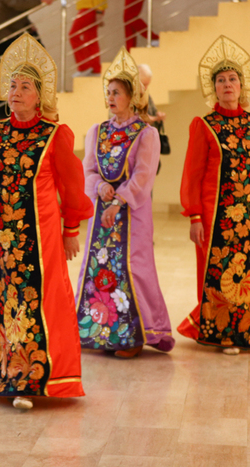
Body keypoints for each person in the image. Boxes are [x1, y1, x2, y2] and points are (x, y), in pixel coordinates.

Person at [0, 34, 93, 410]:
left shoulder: (54, 135)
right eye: (12, 86)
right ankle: (5, 372)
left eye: (25, 87)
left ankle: (39, 377)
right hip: (5, 237)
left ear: (40, 95)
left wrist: (70, 231)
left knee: (41, 298)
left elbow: (72, 185)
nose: (16, 93)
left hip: (44, 234)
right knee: (6, 299)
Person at [177, 35, 250, 355]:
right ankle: (223, 332)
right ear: (214, 89)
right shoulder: (204, 125)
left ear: (241, 85)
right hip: (214, 213)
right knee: (219, 270)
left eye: (232, 79)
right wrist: (195, 215)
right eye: (220, 80)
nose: (227, 84)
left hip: (248, 215)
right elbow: (192, 174)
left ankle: (249, 328)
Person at [75, 47, 174, 359]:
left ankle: (132, 336)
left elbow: (144, 177)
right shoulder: (96, 132)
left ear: (132, 96)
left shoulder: (146, 134)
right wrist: (101, 186)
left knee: (132, 268)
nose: (110, 97)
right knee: (99, 267)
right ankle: (100, 331)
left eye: (116, 92)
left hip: (132, 216)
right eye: (108, 92)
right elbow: (87, 170)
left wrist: (118, 200)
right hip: (100, 214)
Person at [0, 0, 54, 119]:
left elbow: (17, 10)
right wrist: (41, 0)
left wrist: (28, 25)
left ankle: (10, 108)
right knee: (7, 76)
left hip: (9, 35)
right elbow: (18, 3)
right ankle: (2, 113)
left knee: (14, 74)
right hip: (4, 36)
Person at [70, 0, 107, 76]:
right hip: (91, 8)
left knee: (73, 35)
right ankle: (95, 68)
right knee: (90, 39)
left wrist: (99, 12)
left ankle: (84, 67)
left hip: (89, 9)